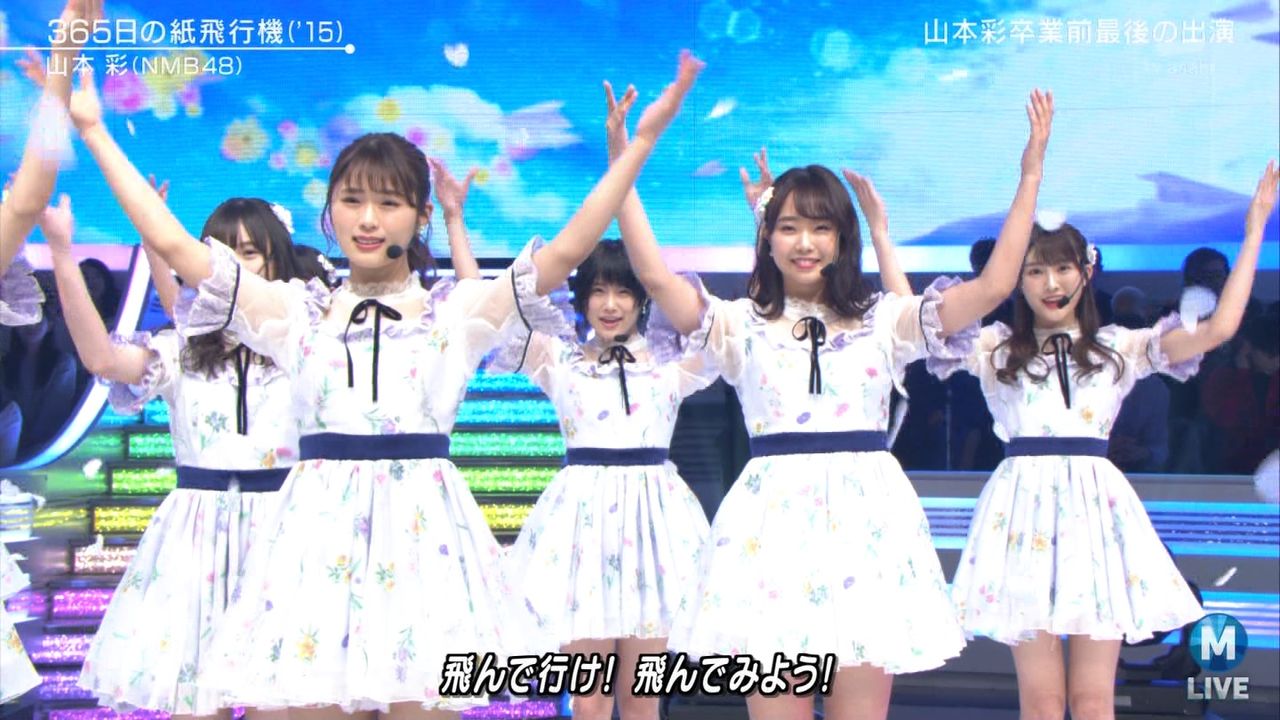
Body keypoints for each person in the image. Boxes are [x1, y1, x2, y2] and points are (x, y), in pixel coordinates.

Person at [69, 52, 703, 717]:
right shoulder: (295, 311)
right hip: (313, 547)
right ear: (331, 213)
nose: (368, 219)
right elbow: (180, 251)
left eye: (388, 203)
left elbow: (567, 250)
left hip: (425, 547)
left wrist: (637, 147)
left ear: (420, 215)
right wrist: (93, 130)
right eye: (353, 201)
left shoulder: (455, 312)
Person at [628, 90, 1055, 719]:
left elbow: (993, 286)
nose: (805, 242)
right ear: (767, 237)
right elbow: (656, 278)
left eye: (821, 227)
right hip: (769, 532)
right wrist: (629, 158)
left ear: (842, 238)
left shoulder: (886, 319)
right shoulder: (738, 323)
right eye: (789, 227)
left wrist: (1031, 174)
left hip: (866, 528)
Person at [927, 161, 1278, 720]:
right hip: (1021, 515)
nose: (1051, 284)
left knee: (1093, 701)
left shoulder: (1120, 347)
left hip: (1096, 517)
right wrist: (882, 233)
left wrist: (1255, 229)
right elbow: (922, 323)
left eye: (1062, 268)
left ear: (1085, 272)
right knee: (1042, 703)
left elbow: (1218, 329)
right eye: (1036, 271)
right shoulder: (995, 348)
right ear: (1018, 278)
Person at [43, 192, 324, 718]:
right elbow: (101, 358)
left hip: (286, 535)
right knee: (195, 705)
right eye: (221, 255)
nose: (232, 269)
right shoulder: (180, 352)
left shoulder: (309, 346)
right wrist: (61, 249)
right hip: (198, 543)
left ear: (277, 261)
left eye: (249, 254)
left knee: (279, 703)